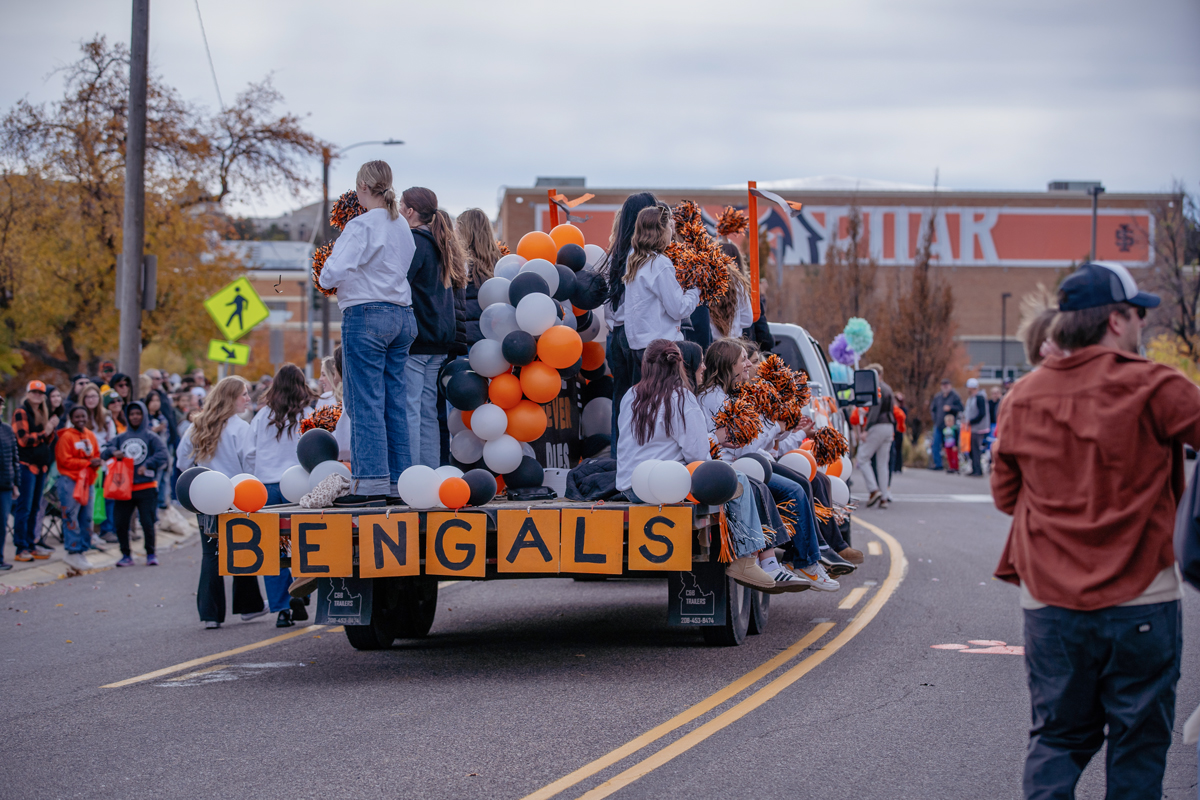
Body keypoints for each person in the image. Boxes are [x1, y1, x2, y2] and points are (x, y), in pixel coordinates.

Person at [992, 261, 1191, 799]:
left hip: (1051, 602)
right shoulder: (1155, 385)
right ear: (1116, 320)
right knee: (1138, 746)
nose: (1142, 324)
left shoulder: (1023, 397)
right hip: (1142, 596)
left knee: (1056, 739)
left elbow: (1006, 498)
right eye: (1138, 314)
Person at [696, 338, 842, 589]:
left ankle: (806, 557)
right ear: (728, 364)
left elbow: (751, 441)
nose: (748, 365)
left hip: (749, 462)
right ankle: (793, 561)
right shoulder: (715, 399)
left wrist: (782, 427)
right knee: (789, 490)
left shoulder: (732, 394)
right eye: (743, 360)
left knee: (800, 485)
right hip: (733, 466)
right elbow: (744, 446)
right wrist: (775, 426)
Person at [318, 161, 417, 504]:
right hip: (402, 314)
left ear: (362, 187)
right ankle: (399, 483)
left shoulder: (360, 226)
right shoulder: (401, 225)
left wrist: (334, 272)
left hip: (366, 314)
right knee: (394, 402)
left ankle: (371, 483)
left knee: (365, 402)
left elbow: (330, 274)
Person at [177, 376, 263, 628]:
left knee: (211, 554)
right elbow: (250, 464)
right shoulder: (241, 428)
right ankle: (249, 606)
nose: (248, 399)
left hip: (204, 495)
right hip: (236, 496)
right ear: (230, 398)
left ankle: (210, 615)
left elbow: (182, 461)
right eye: (243, 394)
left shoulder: (197, 425)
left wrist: (199, 474)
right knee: (242, 549)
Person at [246, 363, 315, 627]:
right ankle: (301, 587)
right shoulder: (308, 414)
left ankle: (282, 609)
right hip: (298, 484)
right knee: (301, 542)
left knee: (272, 548)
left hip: (267, 487)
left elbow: (249, 452)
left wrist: (254, 475)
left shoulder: (263, 415)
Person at [401, 186, 465, 469]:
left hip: (418, 338)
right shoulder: (441, 243)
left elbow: (400, 282)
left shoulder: (414, 242)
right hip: (439, 339)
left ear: (410, 211)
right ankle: (429, 472)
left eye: (400, 206)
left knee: (411, 409)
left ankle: (413, 473)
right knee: (427, 410)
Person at [601, 192, 660, 449]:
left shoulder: (616, 254)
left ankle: (618, 456)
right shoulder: (645, 257)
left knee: (622, 400)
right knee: (642, 401)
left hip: (616, 333)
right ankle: (637, 456)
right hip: (639, 335)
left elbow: (608, 302)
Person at [622, 204, 700, 374]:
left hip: (639, 346)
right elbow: (679, 309)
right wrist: (696, 289)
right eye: (669, 225)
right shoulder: (659, 263)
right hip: (662, 348)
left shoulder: (635, 260)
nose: (672, 230)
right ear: (661, 230)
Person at [101, 400, 166, 567]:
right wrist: (113, 452)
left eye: (138, 413)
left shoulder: (152, 437)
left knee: (147, 522)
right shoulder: (121, 437)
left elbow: (163, 455)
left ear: (143, 415)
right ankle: (126, 555)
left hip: (146, 487)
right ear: (127, 416)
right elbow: (104, 451)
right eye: (131, 414)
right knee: (121, 523)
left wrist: (148, 464)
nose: (135, 417)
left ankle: (151, 553)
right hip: (124, 488)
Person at [11, 381, 57, 562]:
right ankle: (21, 547)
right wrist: (45, 432)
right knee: (24, 507)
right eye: (34, 392)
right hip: (26, 465)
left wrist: (50, 432)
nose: (37, 395)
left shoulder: (43, 413)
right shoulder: (21, 412)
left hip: (41, 466)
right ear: (28, 393)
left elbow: (47, 441)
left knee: (36, 508)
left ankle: (31, 544)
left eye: (40, 393)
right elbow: (23, 440)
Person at [56, 405, 101, 572]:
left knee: (86, 517)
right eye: (77, 417)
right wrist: (87, 463)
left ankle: (82, 550)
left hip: (88, 482)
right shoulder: (66, 436)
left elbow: (96, 454)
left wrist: (95, 462)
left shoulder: (90, 435)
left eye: (83, 416)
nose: (80, 419)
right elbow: (64, 460)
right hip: (70, 481)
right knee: (71, 516)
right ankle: (72, 550)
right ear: (71, 419)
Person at [456, 208, 502, 346]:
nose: (454, 233)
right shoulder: (499, 262)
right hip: (492, 338)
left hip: (465, 338)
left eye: (457, 228)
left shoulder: (461, 263)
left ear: (465, 232)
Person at [856, 363, 896, 508]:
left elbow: (875, 410)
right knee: (882, 464)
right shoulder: (888, 388)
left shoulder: (877, 388)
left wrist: (866, 429)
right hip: (889, 426)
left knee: (862, 457)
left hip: (878, 425)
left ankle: (873, 489)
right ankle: (884, 496)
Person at [709, 243, 754, 342]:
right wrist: (734, 325)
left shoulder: (704, 278)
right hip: (733, 342)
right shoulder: (737, 281)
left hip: (711, 341)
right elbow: (748, 319)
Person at [0, 398, 19, 571]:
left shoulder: (7, 429)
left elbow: (14, 457)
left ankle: (0, 559)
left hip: (5, 484)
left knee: (2, 523)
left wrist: (16, 483)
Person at [928, 378, 963, 470]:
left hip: (950, 427)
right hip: (939, 425)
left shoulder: (955, 396)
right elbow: (933, 409)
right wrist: (935, 419)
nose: (945, 387)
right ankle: (938, 464)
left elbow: (961, 408)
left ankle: (953, 466)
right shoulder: (938, 397)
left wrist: (951, 408)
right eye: (943, 385)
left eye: (946, 385)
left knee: (951, 446)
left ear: (950, 386)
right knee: (935, 444)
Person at [964, 377, 990, 476]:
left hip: (978, 428)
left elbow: (981, 413)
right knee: (972, 449)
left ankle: (978, 470)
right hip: (972, 428)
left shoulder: (979, 397)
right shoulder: (972, 398)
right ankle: (974, 468)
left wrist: (971, 421)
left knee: (976, 449)